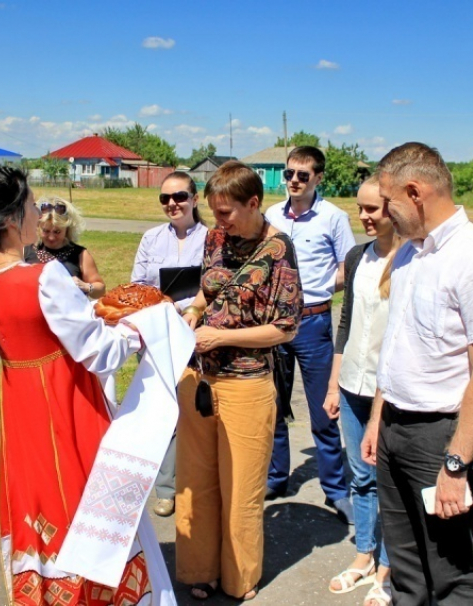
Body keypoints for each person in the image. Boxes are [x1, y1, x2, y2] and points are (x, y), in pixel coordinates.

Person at [0, 166, 162, 605]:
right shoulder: (45, 276)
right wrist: (140, 328)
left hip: (20, 412)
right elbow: (99, 351)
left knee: (36, 500)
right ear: (14, 219)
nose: (41, 214)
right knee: (79, 498)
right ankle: (92, 592)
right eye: (34, 206)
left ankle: (45, 588)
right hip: (65, 407)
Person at [361, 143, 473, 605]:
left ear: (416, 192)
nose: (384, 213)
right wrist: (378, 418)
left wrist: (456, 465)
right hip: (395, 426)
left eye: (389, 202)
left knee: (450, 573)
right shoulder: (411, 254)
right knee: (407, 568)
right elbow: (397, 346)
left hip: (441, 436)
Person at [175, 161, 302, 601]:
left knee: (241, 490)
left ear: (254, 202)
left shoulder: (279, 250)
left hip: (247, 385)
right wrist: (193, 311)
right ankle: (199, 570)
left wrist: (222, 336)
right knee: (197, 483)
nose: (220, 222)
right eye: (214, 212)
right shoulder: (214, 237)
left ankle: (239, 579)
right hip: (198, 378)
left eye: (227, 212)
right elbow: (209, 290)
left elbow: (285, 328)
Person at [264, 145, 356, 524]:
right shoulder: (271, 215)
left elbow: (349, 266)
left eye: (303, 175)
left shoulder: (333, 218)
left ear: (318, 177)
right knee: (274, 405)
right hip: (275, 322)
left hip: (313, 322)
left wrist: (319, 289)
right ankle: (275, 478)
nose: (295, 181)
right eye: (289, 174)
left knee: (323, 411)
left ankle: (336, 491)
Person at [323, 176, 400, 606]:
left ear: (393, 210)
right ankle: (364, 555)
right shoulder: (356, 257)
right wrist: (334, 384)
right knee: (361, 478)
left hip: (391, 392)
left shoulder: (411, 259)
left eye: (373, 209)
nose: (364, 217)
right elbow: (346, 323)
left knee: (390, 481)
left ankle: (388, 570)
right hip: (352, 385)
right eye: (360, 208)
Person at [132, 171, 208, 518]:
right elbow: (137, 286)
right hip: (158, 335)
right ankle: (166, 488)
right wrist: (160, 303)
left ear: (195, 198)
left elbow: (217, 285)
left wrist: (186, 306)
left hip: (199, 334)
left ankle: (200, 483)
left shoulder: (212, 238)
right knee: (163, 411)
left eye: (179, 196)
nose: (172, 204)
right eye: (165, 198)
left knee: (196, 409)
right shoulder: (150, 238)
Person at [34, 195, 105, 298]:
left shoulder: (80, 254)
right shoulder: (26, 251)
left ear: (67, 229)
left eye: (57, 232)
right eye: (46, 231)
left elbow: (100, 289)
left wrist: (86, 286)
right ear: (38, 227)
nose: (51, 237)